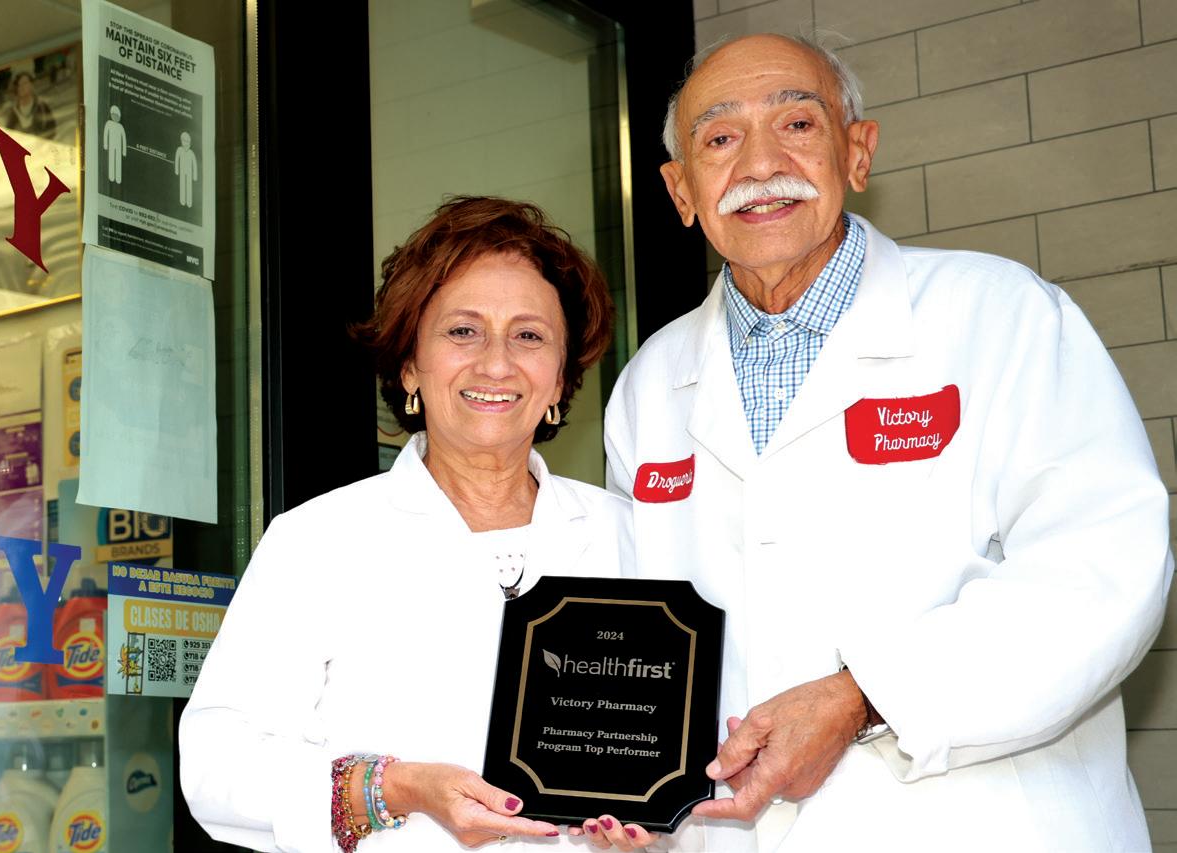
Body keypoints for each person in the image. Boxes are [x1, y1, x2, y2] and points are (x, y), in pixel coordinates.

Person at [604, 33, 1173, 851]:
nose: (759, 164)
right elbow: (638, 637)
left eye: (796, 124)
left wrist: (864, 695)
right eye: (719, 138)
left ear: (857, 152)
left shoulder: (1003, 315)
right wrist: (621, 790)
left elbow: (1101, 571)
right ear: (680, 190)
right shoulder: (648, 384)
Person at [182, 196, 655, 851]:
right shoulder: (317, 541)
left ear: (558, 380)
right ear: (409, 364)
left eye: (528, 335)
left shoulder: (634, 536)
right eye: (462, 331)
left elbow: (685, 759)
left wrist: (653, 834)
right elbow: (216, 766)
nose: (496, 363)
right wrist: (396, 788)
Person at [0, 71, 56, 137]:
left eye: (25, 83)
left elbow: (52, 129)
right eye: (19, 84)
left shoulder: (42, 106)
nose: (22, 87)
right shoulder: (13, 111)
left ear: (31, 85)